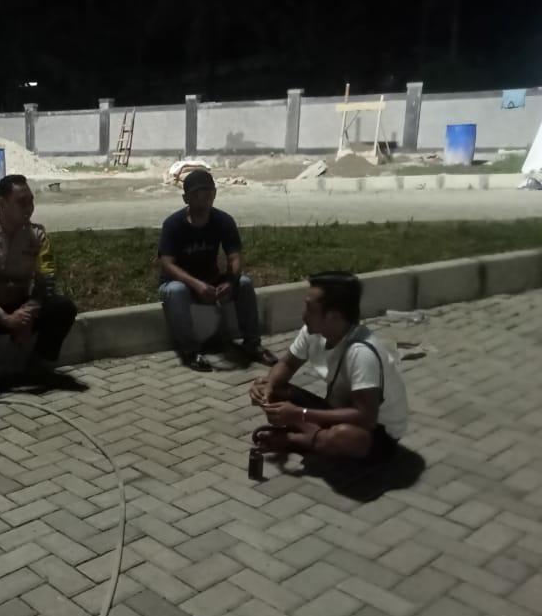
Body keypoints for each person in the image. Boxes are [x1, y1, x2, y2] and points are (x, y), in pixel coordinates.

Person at [249, 272, 408, 462]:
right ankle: (314, 436)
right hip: (340, 410)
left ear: (334, 317)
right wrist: (269, 387)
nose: (303, 315)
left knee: (344, 436)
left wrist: (300, 414)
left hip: (377, 433)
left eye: (310, 309)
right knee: (269, 386)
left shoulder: (361, 352)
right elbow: (286, 364)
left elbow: (366, 417)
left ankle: (294, 439)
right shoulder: (313, 332)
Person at [0, 174, 77, 398]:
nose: (29, 208)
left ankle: (38, 365)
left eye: (31, 201)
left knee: (63, 307)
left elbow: (47, 281)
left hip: (22, 307)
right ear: (2, 203)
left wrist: (27, 314)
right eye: (22, 202)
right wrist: (5, 318)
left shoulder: (38, 236)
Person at [157, 169, 276, 370]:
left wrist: (230, 280)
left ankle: (252, 344)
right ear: (186, 198)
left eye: (208, 193)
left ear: (214, 194)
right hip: (178, 283)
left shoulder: (223, 220)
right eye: (197, 194)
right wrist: (197, 285)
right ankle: (190, 352)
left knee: (244, 283)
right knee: (176, 291)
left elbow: (235, 257)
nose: (203, 198)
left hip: (210, 281)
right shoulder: (173, 224)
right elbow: (167, 264)